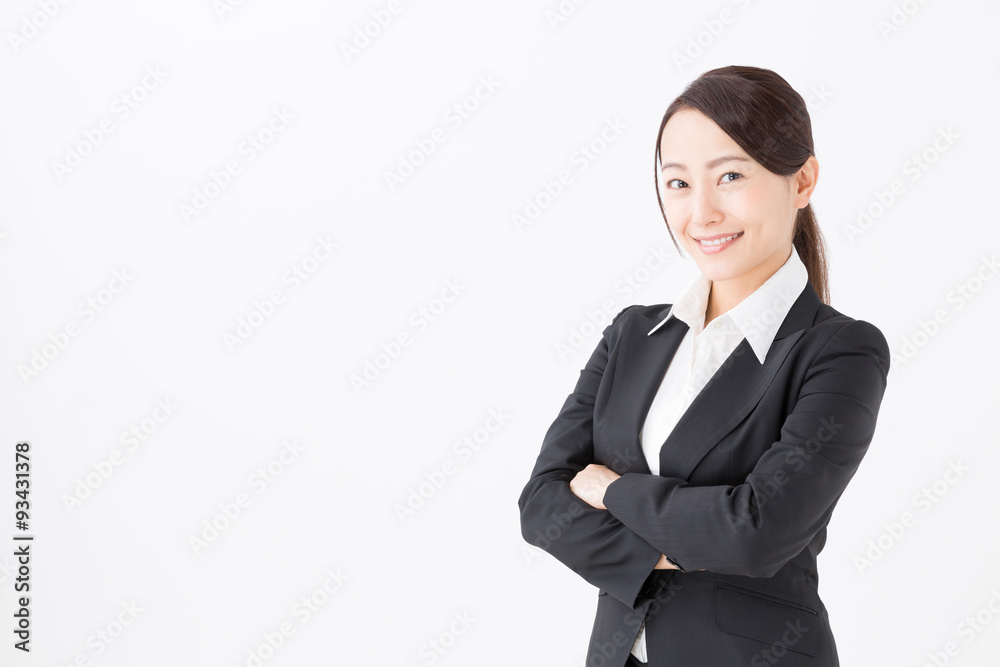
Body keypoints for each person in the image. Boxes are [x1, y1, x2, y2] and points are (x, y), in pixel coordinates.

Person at [517, 65, 890, 666]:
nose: (702, 213)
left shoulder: (840, 352)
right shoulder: (634, 334)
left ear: (802, 180)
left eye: (732, 176)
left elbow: (756, 533)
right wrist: (689, 535)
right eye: (678, 184)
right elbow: (541, 505)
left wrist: (611, 492)